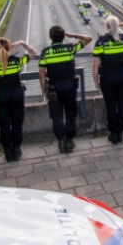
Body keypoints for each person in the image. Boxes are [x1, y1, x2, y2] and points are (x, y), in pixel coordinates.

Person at [38, 26, 92, 154]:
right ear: (63, 37)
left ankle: (61, 142)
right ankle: (69, 141)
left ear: (50, 37)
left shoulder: (46, 52)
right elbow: (88, 38)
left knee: (56, 117)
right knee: (70, 115)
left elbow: (41, 74)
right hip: (70, 87)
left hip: (53, 89)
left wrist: (43, 90)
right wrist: (72, 35)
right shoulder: (69, 48)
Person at [0, 37, 37, 162]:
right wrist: (22, 43)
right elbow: (33, 53)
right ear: (10, 47)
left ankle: (7, 152)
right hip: (16, 96)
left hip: (0, 97)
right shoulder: (16, 60)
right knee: (17, 124)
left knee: (4, 125)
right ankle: (16, 150)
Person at [93, 16, 123, 145]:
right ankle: (120, 132)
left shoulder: (100, 42)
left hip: (107, 78)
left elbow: (95, 65)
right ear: (117, 27)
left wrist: (95, 80)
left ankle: (113, 134)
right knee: (122, 105)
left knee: (110, 106)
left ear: (107, 27)